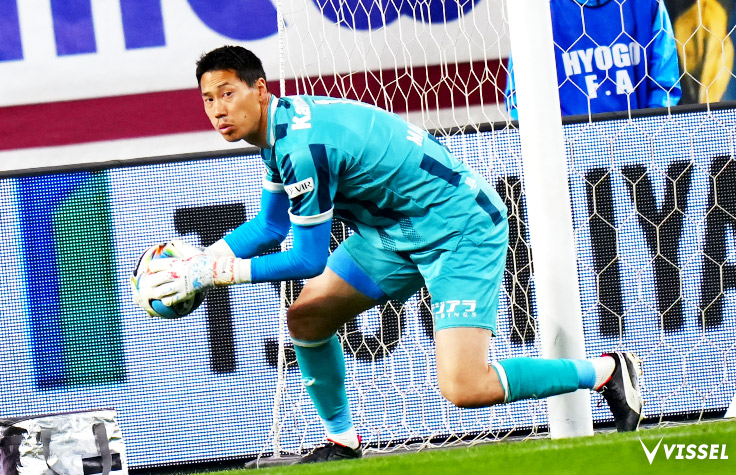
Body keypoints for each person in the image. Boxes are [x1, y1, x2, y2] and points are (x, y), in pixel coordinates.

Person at [133, 45, 643, 463]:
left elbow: (307, 260)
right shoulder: (279, 130)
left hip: (457, 227)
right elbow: (270, 225)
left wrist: (215, 273)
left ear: (259, 90)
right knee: (307, 318)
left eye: (228, 93)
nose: (218, 109)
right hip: (393, 231)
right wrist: (198, 265)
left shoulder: (302, 149)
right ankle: (342, 441)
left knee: (465, 386)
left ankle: (604, 371)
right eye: (208, 99)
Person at [505, 0, 681, 118]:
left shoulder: (647, 4)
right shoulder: (539, 11)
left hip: (639, 144)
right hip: (568, 151)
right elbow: (519, 99)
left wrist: (647, 131)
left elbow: (665, 86)